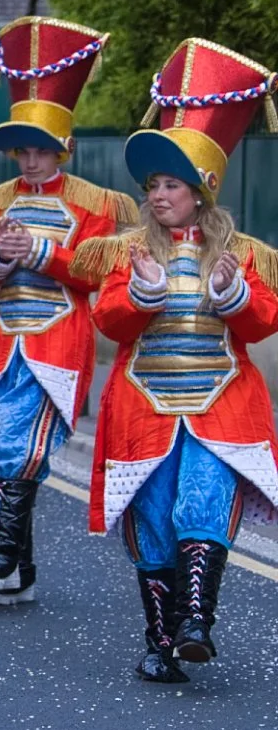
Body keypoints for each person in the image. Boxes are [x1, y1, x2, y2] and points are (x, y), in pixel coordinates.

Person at [73, 40, 278, 682]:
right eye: (152, 184)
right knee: (155, 527)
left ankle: (196, 624)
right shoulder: (127, 252)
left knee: (203, 503)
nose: (158, 195)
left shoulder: (243, 252)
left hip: (222, 408)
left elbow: (265, 321)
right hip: (143, 408)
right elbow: (107, 321)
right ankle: (164, 642)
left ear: (200, 192)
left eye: (170, 184)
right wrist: (141, 295)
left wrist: (232, 295)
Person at [0, 17, 136, 607]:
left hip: (58, 339)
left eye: (41, 151)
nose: (30, 162)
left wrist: (35, 251)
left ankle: (2, 553)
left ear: (65, 148)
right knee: (2, 448)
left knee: (20, 447)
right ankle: (19, 571)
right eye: (22, 151)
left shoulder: (99, 205)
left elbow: (96, 274)